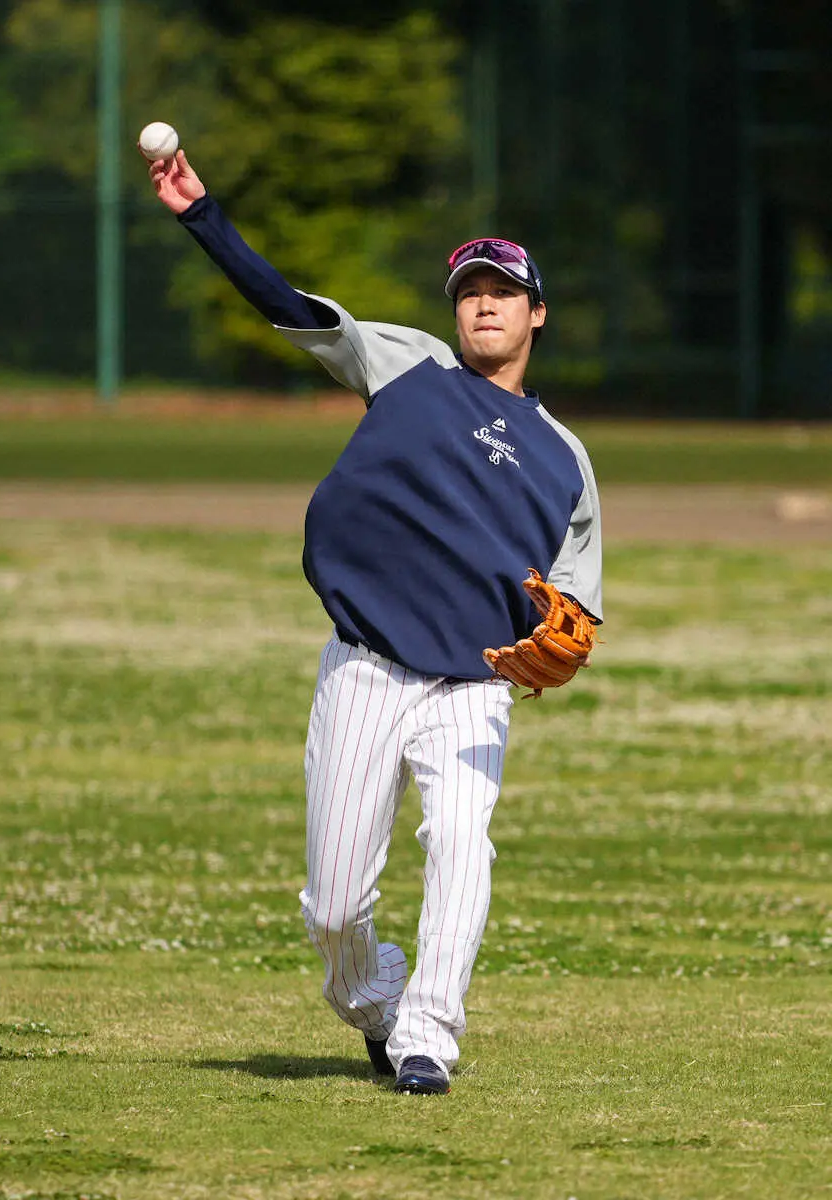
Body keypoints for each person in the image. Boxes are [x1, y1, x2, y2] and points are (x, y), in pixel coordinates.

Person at [144, 147, 603, 1096]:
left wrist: (566, 640)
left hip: (474, 684)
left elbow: (577, 598)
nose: (483, 303)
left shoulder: (565, 457)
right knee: (333, 902)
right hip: (365, 666)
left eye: (503, 291)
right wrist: (203, 217)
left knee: (461, 846)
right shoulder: (411, 366)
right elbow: (292, 309)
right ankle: (375, 1002)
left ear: (535, 313)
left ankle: (430, 1036)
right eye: (470, 289)